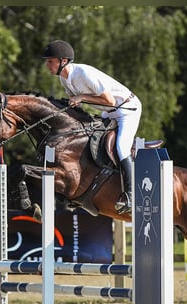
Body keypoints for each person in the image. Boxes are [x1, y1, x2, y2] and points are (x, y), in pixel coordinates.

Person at [42, 40, 142, 214]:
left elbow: (109, 100)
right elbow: (78, 106)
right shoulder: (64, 79)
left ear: (63, 61)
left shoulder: (82, 73)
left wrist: (80, 97)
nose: (47, 65)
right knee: (87, 140)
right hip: (109, 113)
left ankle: (131, 195)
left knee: (121, 147)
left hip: (127, 110)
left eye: (50, 61)